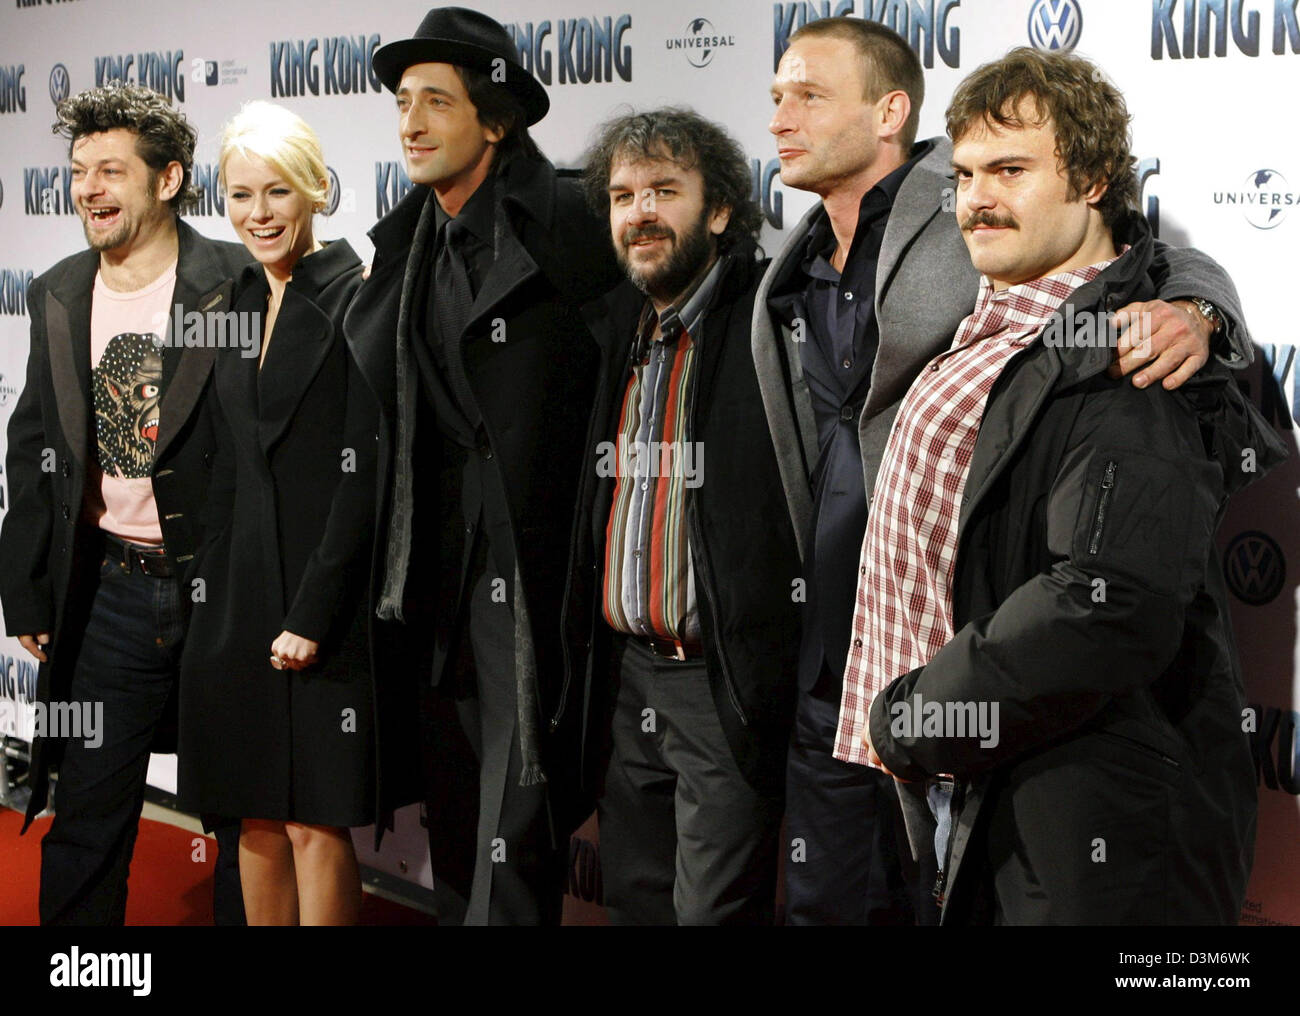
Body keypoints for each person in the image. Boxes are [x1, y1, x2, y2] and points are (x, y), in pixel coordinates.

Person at [754, 17, 1257, 925]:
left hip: (1081, 807)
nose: (978, 200)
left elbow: (1108, 603)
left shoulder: (1135, 351)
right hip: (966, 771)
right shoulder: (994, 318)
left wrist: (920, 718)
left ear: (1095, 181)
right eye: (967, 176)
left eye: (1012, 172)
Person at [344, 6, 621, 925]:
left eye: (435, 102)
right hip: (430, 578)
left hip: (539, 582)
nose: (410, 124)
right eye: (401, 104)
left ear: (496, 119)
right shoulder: (402, 247)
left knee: (519, 809)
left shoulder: (583, 223)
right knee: (460, 807)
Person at [0, 82, 250, 925]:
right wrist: (29, 584)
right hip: (106, 594)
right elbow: (32, 442)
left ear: (169, 180)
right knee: (89, 814)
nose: (88, 189)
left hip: (221, 594)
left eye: (111, 170)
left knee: (243, 821)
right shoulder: (61, 290)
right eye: (78, 171)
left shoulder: (233, 283)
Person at [176, 101, 416, 925]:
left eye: (276, 193)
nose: (258, 215)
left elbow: (366, 475)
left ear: (315, 190)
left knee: (316, 821)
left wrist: (314, 613)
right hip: (235, 603)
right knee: (254, 815)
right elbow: (219, 465)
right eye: (240, 196)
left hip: (325, 606)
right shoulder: (232, 299)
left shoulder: (358, 298)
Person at [563, 109, 801, 924]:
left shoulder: (775, 317)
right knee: (634, 901)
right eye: (624, 195)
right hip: (624, 680)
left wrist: (1199, 305)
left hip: (719, 682)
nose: (641, 213)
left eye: (666, 190)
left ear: (722, 209)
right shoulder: (612, 329)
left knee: (711, 914)